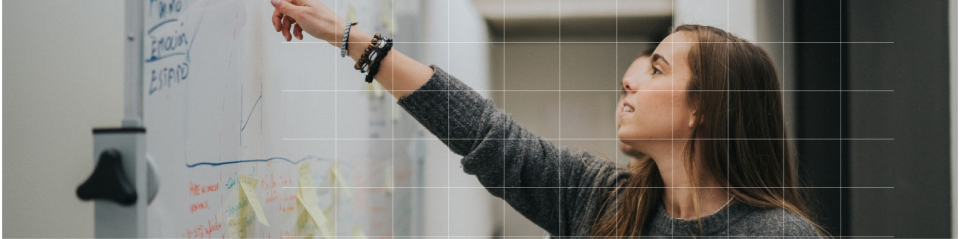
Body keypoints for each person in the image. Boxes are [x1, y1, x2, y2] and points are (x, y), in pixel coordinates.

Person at [269, 0, 824, 237]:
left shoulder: (777, 234)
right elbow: (484, 132)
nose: (630, 79)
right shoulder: (605, 204)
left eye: (657, 69)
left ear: (706, 108)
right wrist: (347, 37)